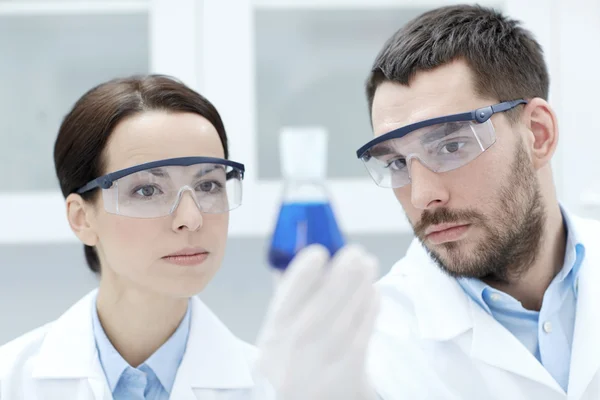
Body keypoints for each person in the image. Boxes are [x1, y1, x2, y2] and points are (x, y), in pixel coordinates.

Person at [256, 4, 600, 399]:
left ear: (537, 134)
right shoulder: (369, 348)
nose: (422, 195)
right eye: (398, 162)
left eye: (451, 145)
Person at [0, 75, 274, 400]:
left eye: (208, 186)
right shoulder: (11, 382)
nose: (191, 218)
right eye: (147, 190)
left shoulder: (277, 388)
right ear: (81, 218)